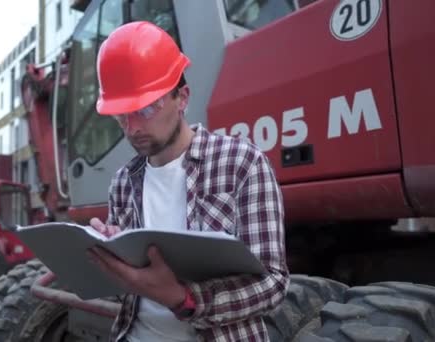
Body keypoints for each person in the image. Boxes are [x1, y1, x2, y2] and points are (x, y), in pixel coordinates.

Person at [87, 21, 289, 342]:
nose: (132, 127)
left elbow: (273, 283)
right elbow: (127, 295)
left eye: (146, 109)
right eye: (122, 116)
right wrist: (114, 258)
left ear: (182, 98)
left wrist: (185, 299)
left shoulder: (241, 164)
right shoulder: (123, 183)